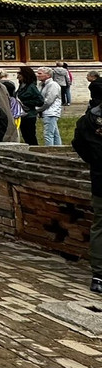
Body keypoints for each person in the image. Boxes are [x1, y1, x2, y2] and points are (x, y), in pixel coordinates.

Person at [71, 104, 102, 294]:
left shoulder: (89, 119)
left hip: (100, 178)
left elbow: (78, 143)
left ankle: (98, 275)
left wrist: (95, 162)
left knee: (99, 226)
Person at [16, 66, 44, 145]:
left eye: (19, 74)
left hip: (29, 115)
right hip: (22, 115)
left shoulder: (31, 87)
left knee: (30, 136)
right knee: (25, 136)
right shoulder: (22, 86)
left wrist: (25, 103)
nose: (17, 76)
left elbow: (40, 101)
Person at [37, 66, 63, 145]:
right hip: (47, 111)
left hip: (51, 112)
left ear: (48, 75)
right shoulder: (41, 85)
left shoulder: (53, 85)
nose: (37, 75)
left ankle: (49, 149)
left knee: (48, 133)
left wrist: (38, 109)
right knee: (55, 133)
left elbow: (48, 101)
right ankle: (58, 149)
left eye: (40, 73)